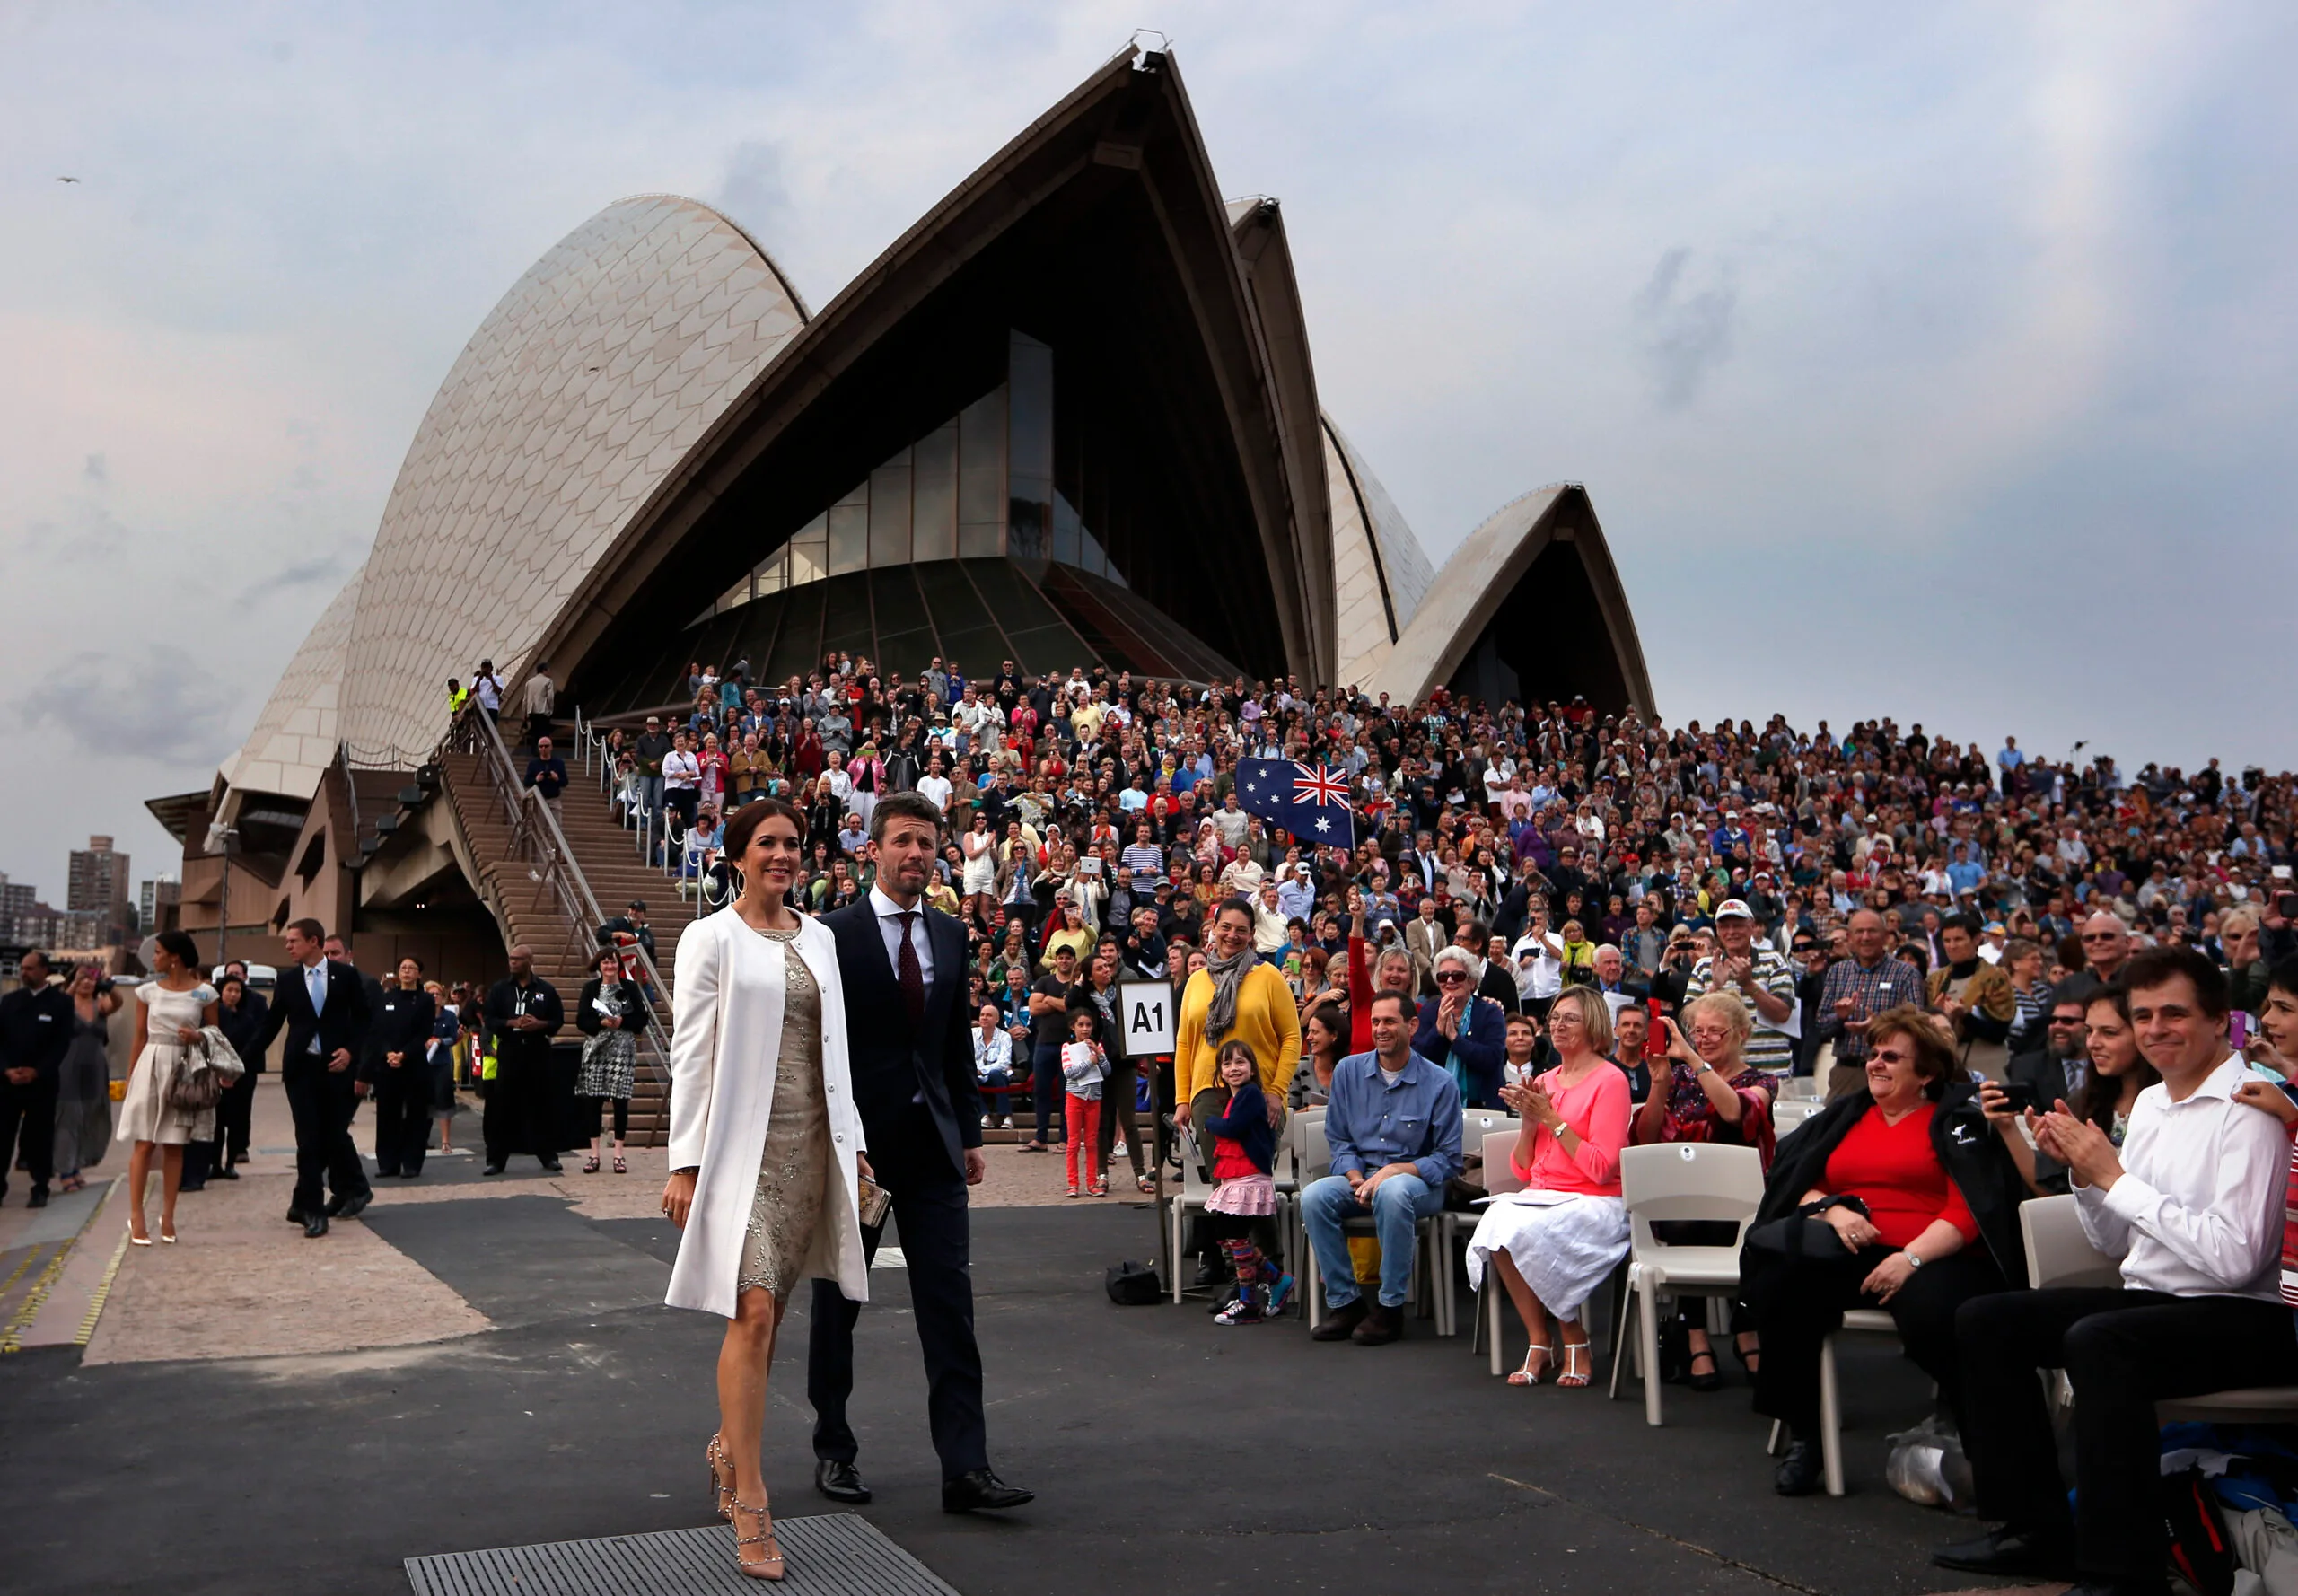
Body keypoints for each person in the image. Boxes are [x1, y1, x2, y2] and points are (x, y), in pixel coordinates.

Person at [1938, 948, 2294, 1592]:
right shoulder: (2152, 1101)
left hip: (2252, 1318)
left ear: (2220, 1020)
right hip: (2156, 1301)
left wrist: (2116, 1178)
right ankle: (2036, 1530)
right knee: (1985, 1320)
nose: (2155, 1029)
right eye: (2144, 1016)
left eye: (2174, 1014)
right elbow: (2112, 1239)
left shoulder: (2251, 1106)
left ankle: (2122, 1572)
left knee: (2100, 1342)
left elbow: (2237, 1262)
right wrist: (2085, 1175)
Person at [662, 796, 872, 1582]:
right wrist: (685, 1162)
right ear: (737, 855)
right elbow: (691, 1053)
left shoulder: (820, 937)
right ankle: (750, 1496)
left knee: (774, 1312)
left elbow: (836, 1052)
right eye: (768, 844)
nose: (783, 855)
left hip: (810, 1148)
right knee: (749, 1310)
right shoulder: (709, 936)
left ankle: (729, 1445)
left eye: (793, 844)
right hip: (737, 1153)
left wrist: (855, 1147)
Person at [809, 791, 1031, 1517]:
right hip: (860, 1152)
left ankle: (966, 1468)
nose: (916, 854)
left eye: (927, 843)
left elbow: (952, 1044)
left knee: (949, 1306)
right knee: (839, 1302)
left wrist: (969, 1133)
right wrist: (840, 1139)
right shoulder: (830, 935)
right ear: (871, 850)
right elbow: (820, 1050)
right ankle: (833, 1448)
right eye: (902, 841)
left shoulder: (950, 933)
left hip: (934, 1148)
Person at [1746, 1007, 2027, 1497]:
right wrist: (1833, 1210)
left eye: (1891, 1057)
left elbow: (1970, 1207)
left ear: (1927, 1074)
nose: (1875, 1063)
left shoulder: (1955, 1120)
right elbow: (1799, 1184)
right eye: (1873, 1054)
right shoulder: (1847, 1115)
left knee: (1934, 1310)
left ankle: (1980, 1436)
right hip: (1847, 1246)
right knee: (1784, 1287)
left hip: (1934, 1254)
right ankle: (1807, 1436)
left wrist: (1909, 1259)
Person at [1467, 987, 1633, 1387]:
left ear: (1593, 1025)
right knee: (1497, 1222)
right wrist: (1529, 1123)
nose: (1558, 1025)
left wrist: (1552, 1119)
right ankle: (1539, 1339)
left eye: (1570, 1018)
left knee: (1527, 1230)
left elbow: (1601, 1168)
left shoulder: (1611, 1080)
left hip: (1595, 1199)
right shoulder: (1544, 1080)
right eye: (1554, 1017)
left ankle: (1572, 1334)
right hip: (1545, 1196)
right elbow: (1523, 1169)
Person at [1632, 992, 1778, 1388]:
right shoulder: (1678, 1078)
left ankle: (1738, 1328)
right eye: (1698, 1032)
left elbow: (1734, 1112)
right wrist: (1660, 1082)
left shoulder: (1761, 1081)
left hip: (1741, 1203)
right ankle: (1701, 1335)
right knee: (1687, 1218)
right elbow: (1646, 1137)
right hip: (1681, 1202)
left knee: (1740, 1228)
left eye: (1716, 1031)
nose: (1705, 1039)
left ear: (1741, 1034)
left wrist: (1694, 1060)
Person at [1302, 990, 1464, 1346]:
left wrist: (1394, 1171)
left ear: (1412, 1025)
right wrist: (1356, 1177)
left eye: (1390, 1021)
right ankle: (1346, 1303)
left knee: (1392, 1192)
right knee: (1314, 1197)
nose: (1380, 1029)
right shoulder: (1348, 1072)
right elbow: (1339, 1140)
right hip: (1360, 1177)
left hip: (1417, 1184)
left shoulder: (1440, 1082)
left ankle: (1390, 1307)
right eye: (1375, 1021)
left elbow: (1448, 1158)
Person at [1174, 898, 1301, 1289]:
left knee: (1254, 1187)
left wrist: (1276, 1091)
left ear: (1252, 934)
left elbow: (1292, 1037)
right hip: (1208, 1092)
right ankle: (1243, 1278)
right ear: (1213, 928)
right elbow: (1184, 1043)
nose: (1232, 936)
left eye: (1241, 930)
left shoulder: (1269, 977)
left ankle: (1270, 1274)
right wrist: (1182, 1099)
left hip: (1259, 1095)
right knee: (1226, 1190)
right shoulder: (1196, 981)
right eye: (1225, 927)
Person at [255, 918, 373, 1237]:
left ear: (313, 942)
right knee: (308, 1141)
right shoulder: (288, 980)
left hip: (337, 1068)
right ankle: (313, 1210)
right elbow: (270, 1025)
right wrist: (240, 1060)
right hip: (302, 1070)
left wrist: (351, 1051)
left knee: (332, 1136)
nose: (288, 946)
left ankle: (304, 1202)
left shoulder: (345, 976)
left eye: (293, 940)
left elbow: (364, 1020)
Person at [1983, 987, 2155, 1197]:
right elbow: (2055, 1194)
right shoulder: (2083, 1103)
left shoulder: (2171, 1105)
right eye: (2089, 1031)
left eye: (2109, 1033)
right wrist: (2007, 1127)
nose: (2092, 1043)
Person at [115, 930, 229, 1246]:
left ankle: (168, 1215)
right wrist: (130, 1078)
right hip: (151, 1064)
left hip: (185, 1069)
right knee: (144, 1143)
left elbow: (216, 1036)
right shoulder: (147, 992)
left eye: (158, 952)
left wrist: (198, 1036)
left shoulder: (205, 994)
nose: (154, 958)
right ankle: (136, 1215)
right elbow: (139, 1037)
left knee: (175, 1144)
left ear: (174, 957)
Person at [1200, 1039, 1294, 1325]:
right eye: (1227, 1063)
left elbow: (1233, 1128)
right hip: (1236, 1176)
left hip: (1249, 1174)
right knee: (1227, 1234)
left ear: (1253, 1069)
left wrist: (1209, 1123)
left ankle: (1249, 1301)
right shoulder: (1236, 1098)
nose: (1233, 1068)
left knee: (1236, 1236)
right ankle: (1276, 1279)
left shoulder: (1251, 1094)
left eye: (1240, 1062)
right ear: (1220, 1072)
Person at [1813, 908, 1921, 1099]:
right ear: (1849, 938)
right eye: (1859, 932)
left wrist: (1879, 1027)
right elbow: (1821, 1026)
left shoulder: (1906, 974)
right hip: (1846, 1073)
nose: (1865, 937)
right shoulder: (1837, 972)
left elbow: (1917, 1027)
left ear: (1885, 936)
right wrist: (1840, 1017)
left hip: (1890, 1072)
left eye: (1872, 931)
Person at [1683, 899, 1797, 1074]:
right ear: (1717, 930)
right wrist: (1715, 987)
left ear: (1751, 927)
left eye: (1738, 925)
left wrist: (1749, 985)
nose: (1731, 932)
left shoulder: (1774, 961)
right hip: (1718, 1076)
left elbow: (1783, 1014)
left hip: (1772, 1070)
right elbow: (1689, 1023)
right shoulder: (1704, 966)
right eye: (1724, 927)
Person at [482, 945, 565, 1176]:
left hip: (538, 1051)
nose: (513, 963)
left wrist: (540, 1024)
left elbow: (557, 1020)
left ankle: (548, 1155)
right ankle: (496, 1159)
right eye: (511, 959)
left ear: (529, 961)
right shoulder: (500, 989)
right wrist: (512, 1023)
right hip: (510, 1050)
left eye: (518, 959)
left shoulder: (546, 990)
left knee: (542, 1105)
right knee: (502, 1107)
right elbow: (489, 1019)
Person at [0, 951, 73, 1208]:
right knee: (3, 1136)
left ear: (44, 970)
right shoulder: (9, 1002)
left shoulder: (61, 1004)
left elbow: (61, 1044)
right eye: (22, 968)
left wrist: (38, 1071)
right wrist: (6, 1069)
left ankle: (40, 1186)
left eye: (30, 968)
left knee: (40, 1137)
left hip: (41, 1083)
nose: (24, 973)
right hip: (8, 1083)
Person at [364, 956, 436, 1179]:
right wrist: (388, 1053)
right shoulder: (387, 997)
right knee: (387, 1115)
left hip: (413, 1063)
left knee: (415, 1115)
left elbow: (423, 1033)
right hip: (388, 1064)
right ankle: (388, 1163)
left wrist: (404, 1054)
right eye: (403, 967)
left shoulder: (425, 1000)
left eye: (411, 968)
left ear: (419, 974)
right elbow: (378, 1030)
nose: (406, 971)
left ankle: (412, 1163)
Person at [575, 947, 645, 1174]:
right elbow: (581, 1020)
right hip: (596, 1051)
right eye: (605, 963)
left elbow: (641, 1018)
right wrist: (601, 1023)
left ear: (619, 964)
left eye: (613, 962)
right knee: (593, 1102)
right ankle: (594, 1154)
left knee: (620, 1102)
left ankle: (618, 1155)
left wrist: (622, 1021)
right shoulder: (591, 988)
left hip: (622, 1051)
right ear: (599, 965)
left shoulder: (630, 988)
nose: (609, 966)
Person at [52, 964, 119, 1193]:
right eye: (83, 979)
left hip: (95, 1067)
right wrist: (73, 983)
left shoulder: (100, 1005)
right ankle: (65, 1170)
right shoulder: (65, 1003)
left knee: (90, 1117)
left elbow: (117, 1002)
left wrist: (109, 985)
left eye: (91, 979)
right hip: (68, 1067)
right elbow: (59, 1006)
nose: (87, 983)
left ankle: (77, 1165)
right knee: (68, 1118)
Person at [1414, 945, 1508, 1108]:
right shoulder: (1429, 1011)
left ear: (1472, 982)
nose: (1450, 981)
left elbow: (1492, 1059)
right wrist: (1438, 1031)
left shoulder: (1490, 1012)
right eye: (1443, 976)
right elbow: (1417, 1059)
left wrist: (1455, 1039)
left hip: (1482, 1106)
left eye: (1458, 976)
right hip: (1436, 1103)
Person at [1926, 914, 2014, 1083]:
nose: (1952, 946)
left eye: (1958, 939)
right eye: (1947, 941)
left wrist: (1966, 1017)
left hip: (1987, 1062)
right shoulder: (1936, 980)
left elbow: (1999, 1032)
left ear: (1976, 939)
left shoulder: (1995, 977)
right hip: (1949, 1065)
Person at [1020, 943, 1080, 1153]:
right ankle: (1040, 1137)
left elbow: (1071, 1007)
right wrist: (1060, 1003)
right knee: (1041, 1090)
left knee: (1067, 1093)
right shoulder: (1044, 981)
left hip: (1069, 1045)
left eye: (1068, 958)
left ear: (1074, 961)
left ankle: (1065, 1138)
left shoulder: (1076, 984)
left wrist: (1049, 1000)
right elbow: (1034, 1009)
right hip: (1044, 1043)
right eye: (1060, 957)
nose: (1064, 961)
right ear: (1055, 960)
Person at [209, 969, 267, 1178]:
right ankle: (214, 1164)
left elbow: (252, 1047)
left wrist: (234, 1072)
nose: (233, 995)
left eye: (238, 991)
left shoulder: (247, 1019)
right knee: (216, 1123)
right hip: (216, 1076)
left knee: (236, 1122)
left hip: (240, 1077)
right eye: (229, 990)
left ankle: (230, 1163)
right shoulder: (213, 1016)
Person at [1058, 1007, 1109, 1198]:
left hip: (1093, 1099)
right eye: (1081, 1025)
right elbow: (1069, 1072)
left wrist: (1098, 1055)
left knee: (1091, 1142)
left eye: (1088, 1025)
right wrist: (1089, 1062)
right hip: (1075, 1097)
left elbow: (1107, 1071)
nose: (1085, 1029)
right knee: (1073, 1143)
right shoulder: (1067, 1047)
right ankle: (1073, 1184)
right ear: (1073, 1027)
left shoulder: (1097, 1046)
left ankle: (1091, 1183)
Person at [1289, 1001, 1346, 1109]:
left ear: (1334, 1036)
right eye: (1309, 1032)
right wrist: (1309, 1110)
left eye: (1315, 1032)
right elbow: (1289, 1115)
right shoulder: (1301, 1066)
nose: (1309, 1037)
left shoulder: (1348, 1068)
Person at [971, 1003, 1014, 1129]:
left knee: (995, 1073)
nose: (984, 1018)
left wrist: (982, 1070)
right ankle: (984, 1116)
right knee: (969, 1079)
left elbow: (1003, 1062)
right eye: (982, 1015)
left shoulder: (1005, 1036)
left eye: (989, 1015)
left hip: (998, 1077)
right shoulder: (972, 1034)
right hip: (976, 1077)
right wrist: (975, 1071)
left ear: (997, 1019)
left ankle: (1006, 1116)